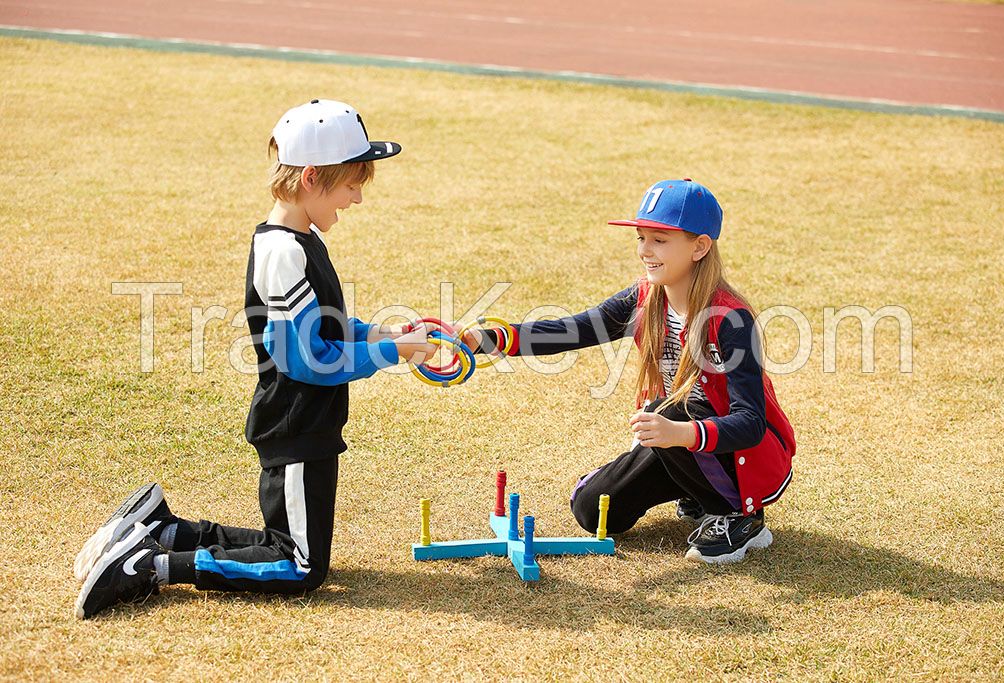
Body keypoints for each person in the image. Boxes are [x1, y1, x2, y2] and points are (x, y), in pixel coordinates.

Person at [73, 99, 439, 619]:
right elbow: (306, 361)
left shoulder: (301, 239)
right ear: (312, 177)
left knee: (291, 548)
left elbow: (328, 329)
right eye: (352, 184)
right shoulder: (283, 252)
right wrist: (388, 353)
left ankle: (164, 528)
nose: (358, 198)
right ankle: (149, 565)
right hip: (294, 426)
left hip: (309, 424)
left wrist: (389, 332)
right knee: (299, 567)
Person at [464, 179, 795, 563]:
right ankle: (695, 489)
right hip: (678, 435)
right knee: (593, 509)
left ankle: (740, 517)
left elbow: (751, 422)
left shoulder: (731, 319)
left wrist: (678, 432)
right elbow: (576, 329)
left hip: (746, 460)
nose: (645, 251)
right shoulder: (643, 297)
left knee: (666, 409)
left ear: (700, 246)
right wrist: (489, 339)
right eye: (641, 238)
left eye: (659, 239)